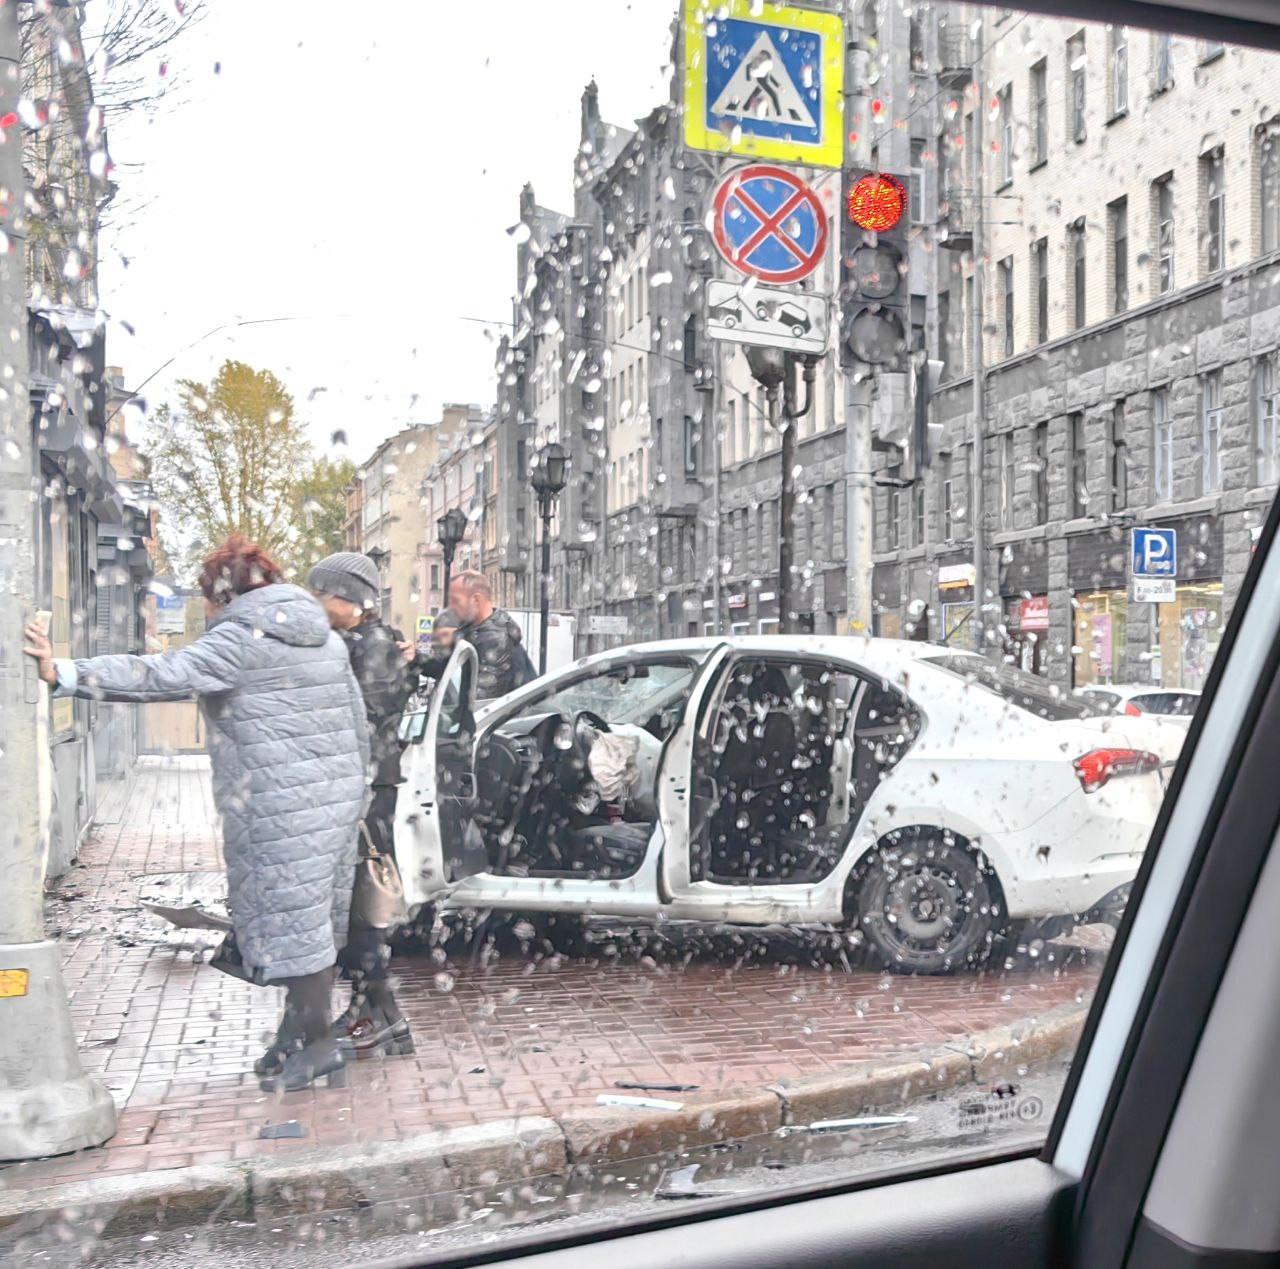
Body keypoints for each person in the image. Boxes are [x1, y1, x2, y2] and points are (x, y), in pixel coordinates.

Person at [23, 536, 369, 1093]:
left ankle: (321, 1046)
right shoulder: (326, 641)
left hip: (277, 807)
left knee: (295, 926)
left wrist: (64, 672)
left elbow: (160, 675)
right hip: (332, 803)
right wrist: (356, 797)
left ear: (223, 594)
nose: (206, 607)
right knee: (309, 922)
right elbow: (358, 726)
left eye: (208, 595)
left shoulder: (240, 639)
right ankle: (293, 1039)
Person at [306, 551, 415, 1057]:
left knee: (362, 906)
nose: (318, 602)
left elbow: (362, 723)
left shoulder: (370, 648)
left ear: (351, 600)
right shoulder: (361, 643)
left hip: (366, 789)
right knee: (355, 909)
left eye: (324, 593)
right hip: (359, 785)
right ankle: (374, 1012)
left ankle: (382, 1015)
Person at [448, 570, 536, 699]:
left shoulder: (495, 640)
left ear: (476, 599)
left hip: (502, 717)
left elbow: (482, 701)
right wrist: (415, 658)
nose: (451, 607)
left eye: (456, 601)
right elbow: (444, 665)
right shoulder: (474, 630)